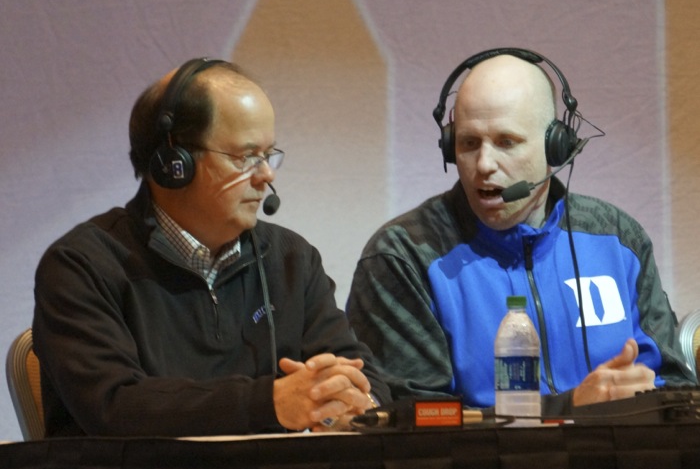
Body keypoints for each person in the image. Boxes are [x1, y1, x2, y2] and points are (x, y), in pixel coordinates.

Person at [32, 57, 389, 437]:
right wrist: (271, 402)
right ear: (174, 163)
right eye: (246, 156)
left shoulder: (291, 259)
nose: (267, 175)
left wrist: (354, 399)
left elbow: (360, 373)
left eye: (269, 155)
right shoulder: (81, 265)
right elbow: (114, 406)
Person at [347, 48, 696, 417]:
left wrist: (654, 402)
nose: (484, 164)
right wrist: (570, 409)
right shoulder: (406, 256)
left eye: (506, 142)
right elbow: (416, 423)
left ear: (555, 147)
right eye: (468, 143)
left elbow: (678, 392)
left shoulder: (617, 239)